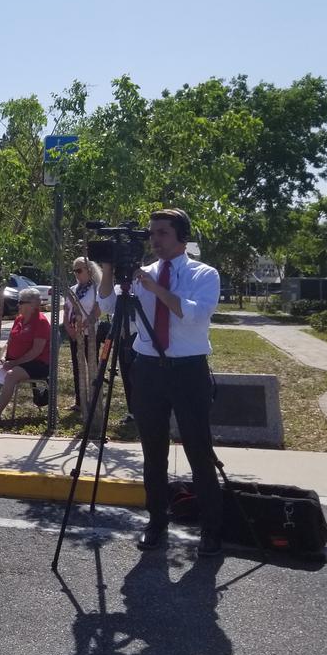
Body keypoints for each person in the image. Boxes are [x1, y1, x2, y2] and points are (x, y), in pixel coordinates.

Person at [96, 208, 223, 557]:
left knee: (198, 449)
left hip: (188, 369)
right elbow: (107, 305)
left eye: (163, 233)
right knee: (153, 452)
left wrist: (156, 288)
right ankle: (156, 521)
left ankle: (211, 529)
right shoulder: (140, 274)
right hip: (148, 368)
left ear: (182, 236)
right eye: (151, 233)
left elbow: (195, 313)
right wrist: (108, 268)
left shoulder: (203, 273)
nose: (154, 240)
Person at [0, 288, 51, 425]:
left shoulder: (41, 322)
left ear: (33, 304)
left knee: (11, 375)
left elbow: (36, 351)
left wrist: (13, 363)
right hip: (13, 361)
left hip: (37, 363)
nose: (18, 305)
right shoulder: (18, 320)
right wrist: (3, 357)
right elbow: (8, 343)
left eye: (21, 302)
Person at [64, 256, 103, 413]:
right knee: (77, 366)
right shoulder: (73, 290)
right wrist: (70, 329)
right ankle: (79, 401)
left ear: (90, 270)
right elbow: (66, 310)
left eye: (79, 270)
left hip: (90, 334)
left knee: (91, 366)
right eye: (74, 271)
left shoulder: (96, 289)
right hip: (75, 334)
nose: (76, 273)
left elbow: (97, 311)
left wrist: (85, 325)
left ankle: (94, 400)